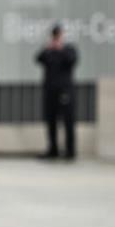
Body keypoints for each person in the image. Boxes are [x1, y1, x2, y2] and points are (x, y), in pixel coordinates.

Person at [35, 24, 78, 160]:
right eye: (54, 36)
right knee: (51, 120)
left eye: (58, 35)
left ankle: (70, 151)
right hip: (50, 90)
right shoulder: (49, 51)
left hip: (65, 90)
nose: (56, 38)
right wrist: (48, 48)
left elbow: (72, 60)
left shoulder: (69, 49)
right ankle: (53, 149)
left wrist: (60, 48)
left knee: (68, 121)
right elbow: (38, 58)